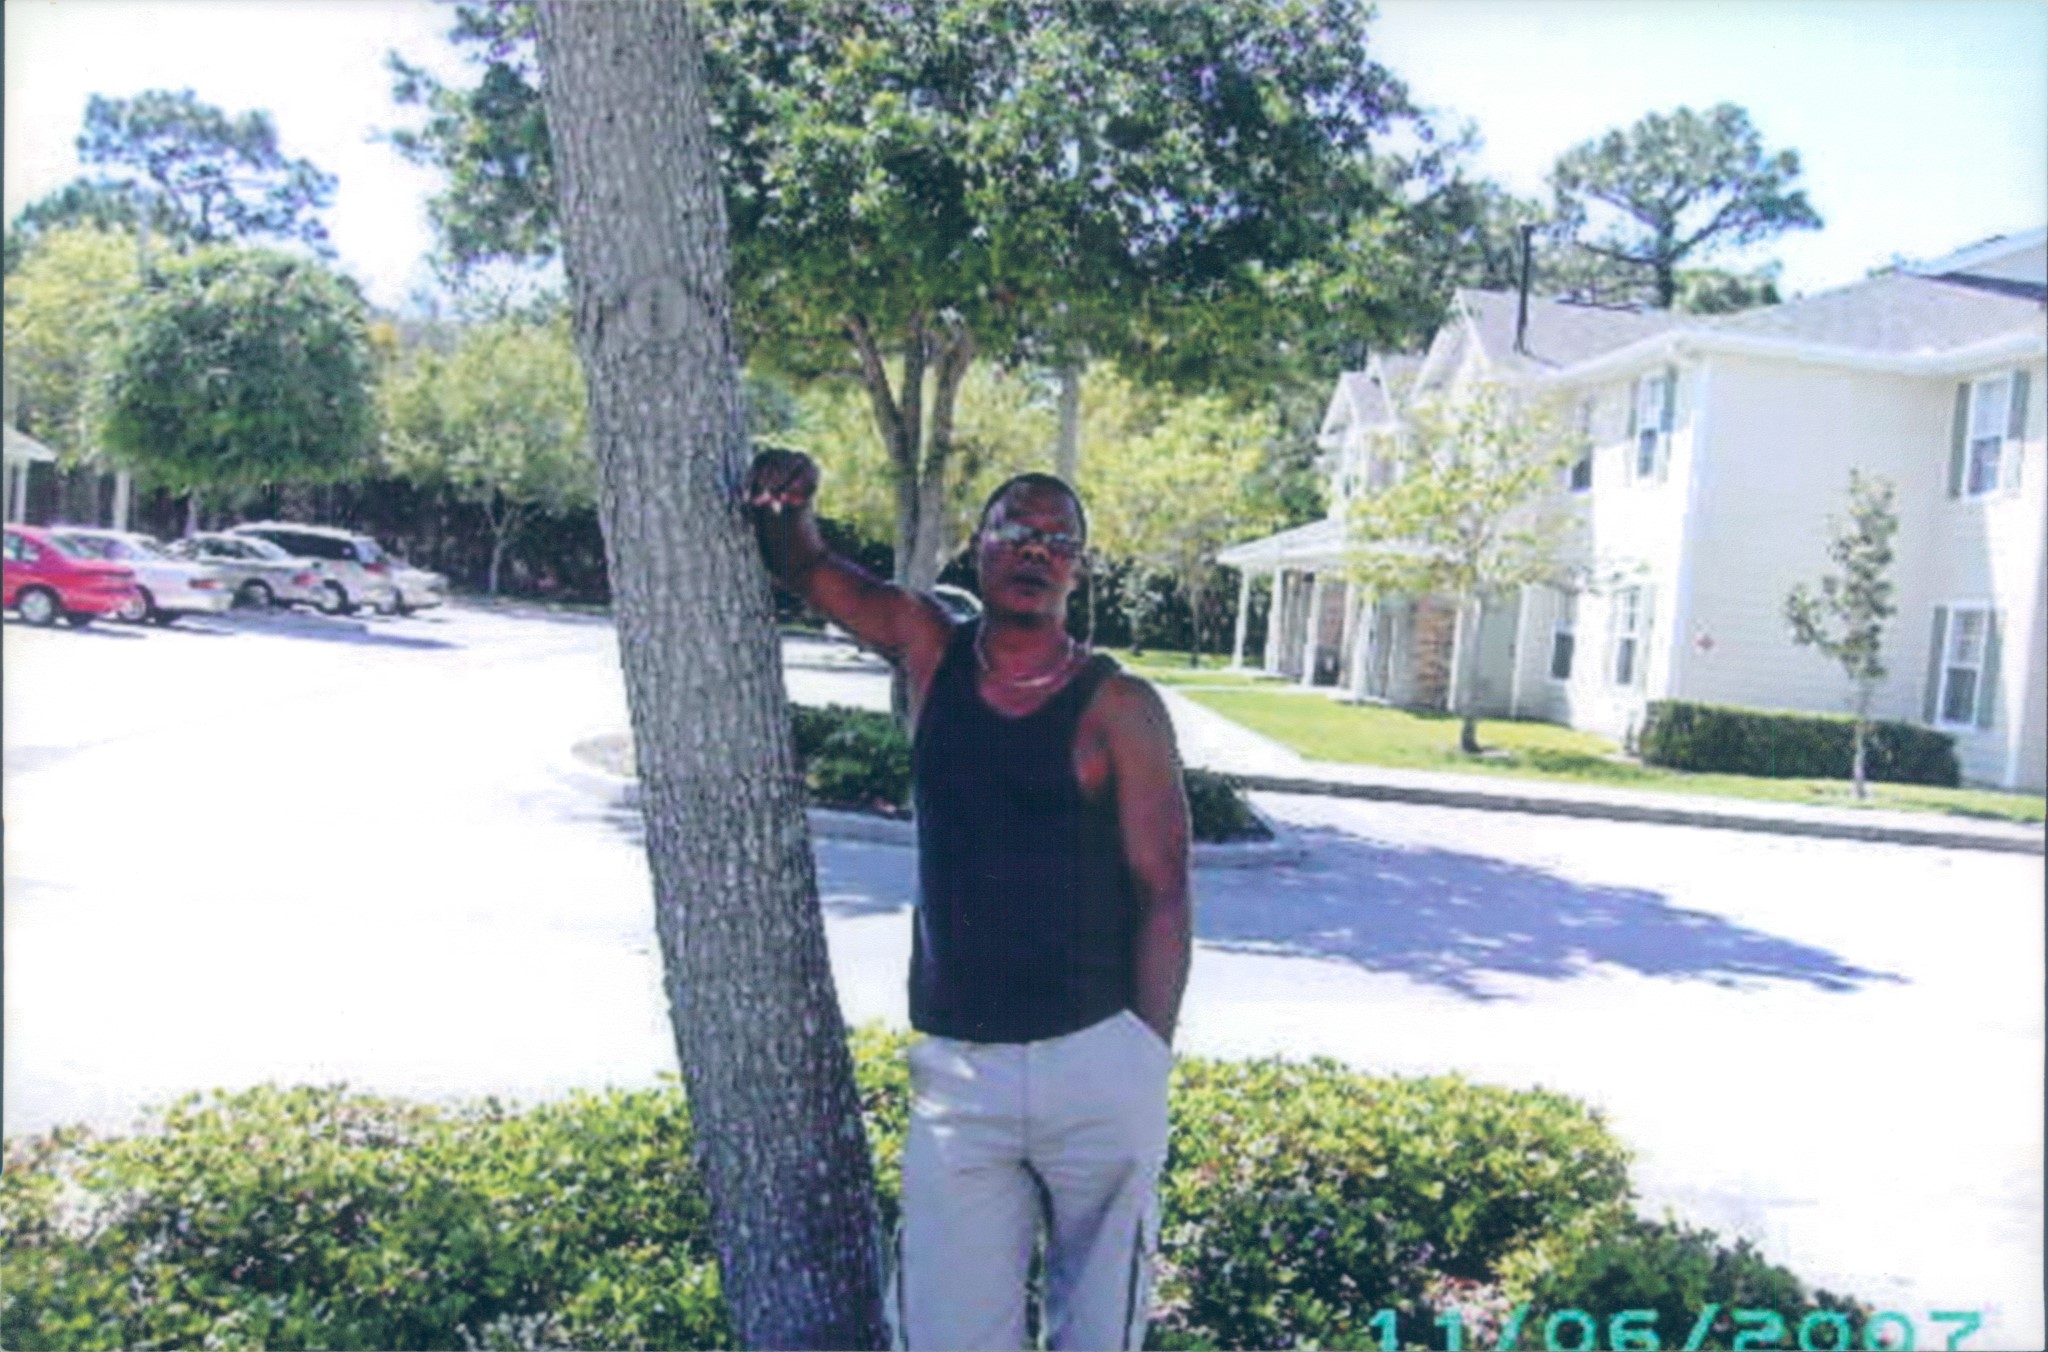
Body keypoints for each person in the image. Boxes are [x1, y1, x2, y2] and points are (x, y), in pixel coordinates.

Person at [746, 449, 1193, 1351]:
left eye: (1057, 541)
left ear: (1077, 569)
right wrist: (786, 504)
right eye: (1015, 530)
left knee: (1098, 1333)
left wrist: (1142, 1058)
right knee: (947, 1330)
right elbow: (809, 568)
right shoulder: (929, 648)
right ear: (978, 547)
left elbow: (1165, 889)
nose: (1036, 550)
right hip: (961, 1075)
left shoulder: (1119, 706)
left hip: (1095, 1062)